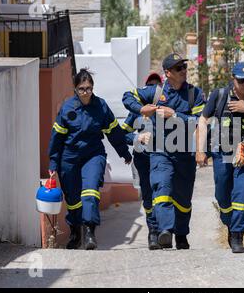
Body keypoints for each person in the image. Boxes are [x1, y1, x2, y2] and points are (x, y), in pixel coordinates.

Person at [122, 53, 205, 250]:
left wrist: (174, 114)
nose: (184, 71)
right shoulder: (155, 93)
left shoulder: (195, 94)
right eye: (179, 68)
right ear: (167, 73)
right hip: (160, 152)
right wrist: (141, 110)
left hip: (185, 154)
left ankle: (181, 234)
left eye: (184, 67)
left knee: (183, 199)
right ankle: (165, 230)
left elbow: (200, 123)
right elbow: (128, 96)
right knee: (161, 188)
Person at [48, 69, 132, 250]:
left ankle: (89, 233)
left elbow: (114, 132)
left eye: (89, 88)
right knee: (72, 198)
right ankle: (75, 233)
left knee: (90, 192)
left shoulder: (101, 106)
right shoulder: (67, 108)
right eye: (81, 89)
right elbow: (57, 137)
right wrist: (53, 162)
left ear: (93, 88)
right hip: (69, 157)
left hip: (93, 154)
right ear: (75, 89)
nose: (86, 92)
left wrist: (124, 153)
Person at [196, 62, 244, 253]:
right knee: (222, 195)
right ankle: (230, 223)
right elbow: (203, 120)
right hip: (222, 150)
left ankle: (238, 234)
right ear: (233, 78)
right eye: (241, 80)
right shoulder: (219, 95)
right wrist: (200, 150)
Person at [120, 72, 163, 250]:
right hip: (143, 159)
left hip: (163, 159)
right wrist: (138, 137)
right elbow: (123, 134)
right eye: (149, 86)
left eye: (156, 86)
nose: (152, 90)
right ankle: (153, 231)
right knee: (148, 195)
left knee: (162, 192)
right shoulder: (136, 112)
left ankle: (164, 229)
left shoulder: (165, 110)